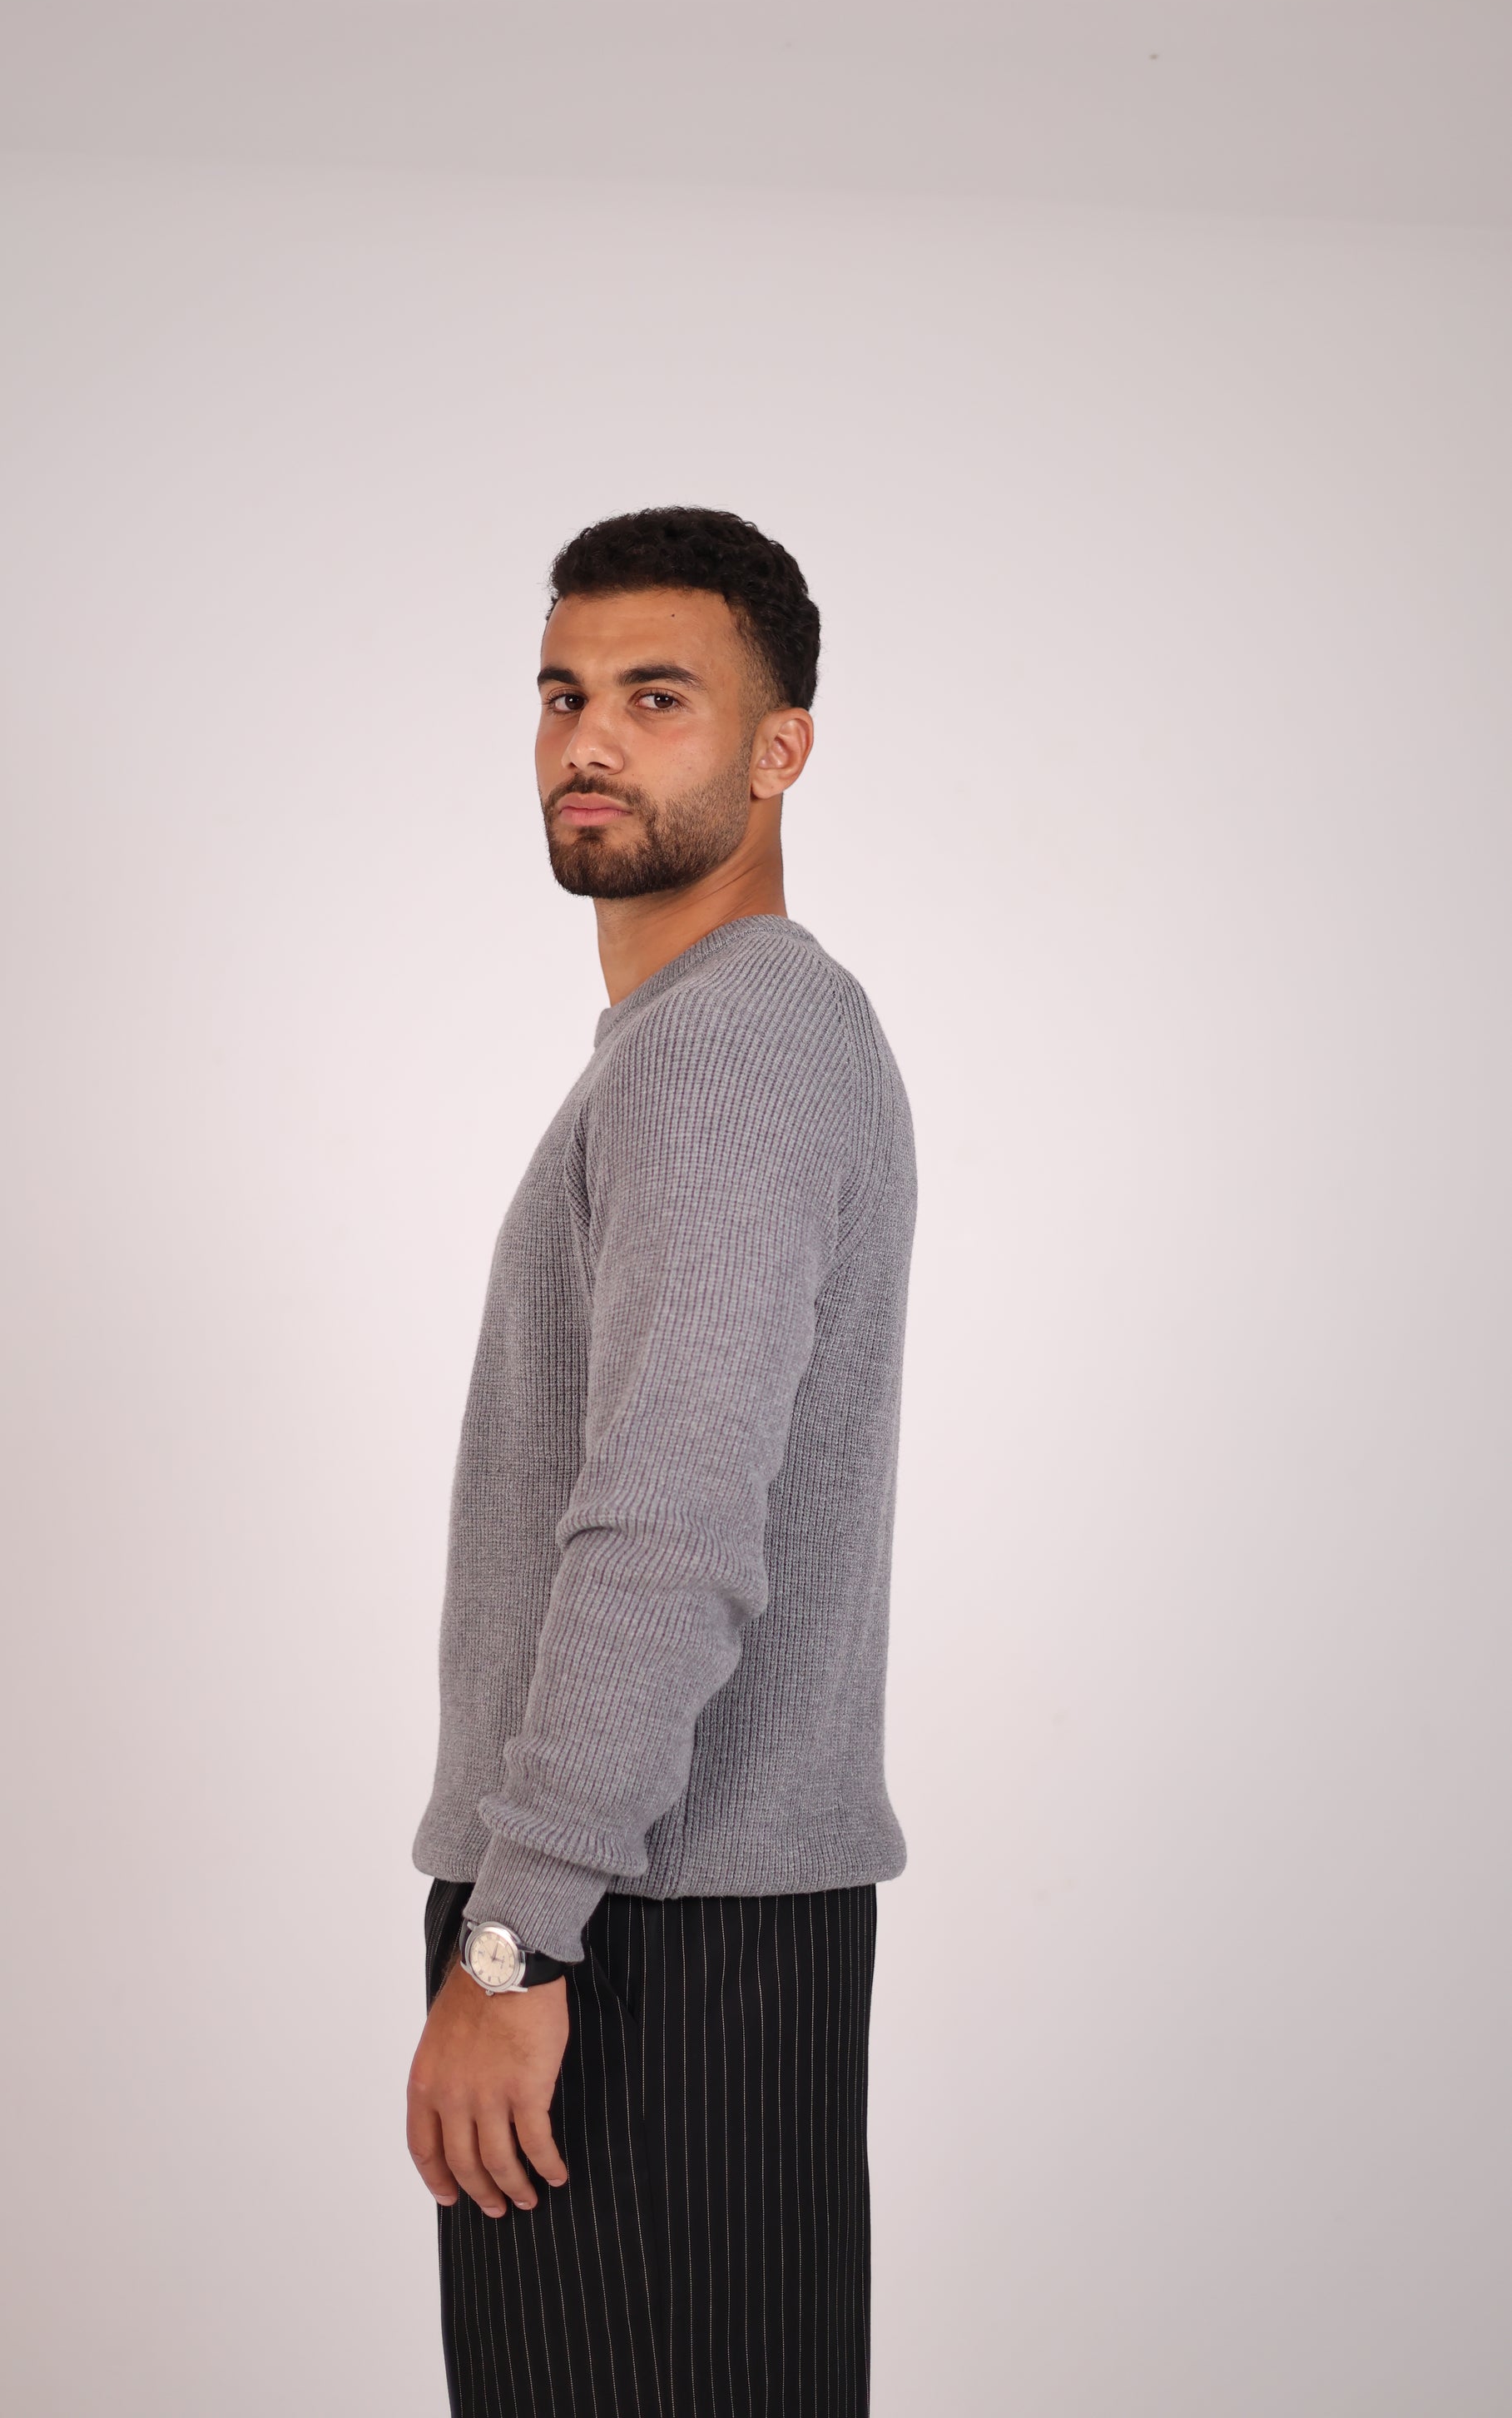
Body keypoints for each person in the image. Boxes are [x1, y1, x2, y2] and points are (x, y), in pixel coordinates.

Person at [405, 506, 915, 2417]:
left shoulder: (730, 1045)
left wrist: (514, 1933)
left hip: (636, 1933)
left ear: (781, 748)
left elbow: (671, 1523)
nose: (589, 740)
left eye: (655, 697)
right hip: (662, 1915)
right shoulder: (706, 1038)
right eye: (562, 695)